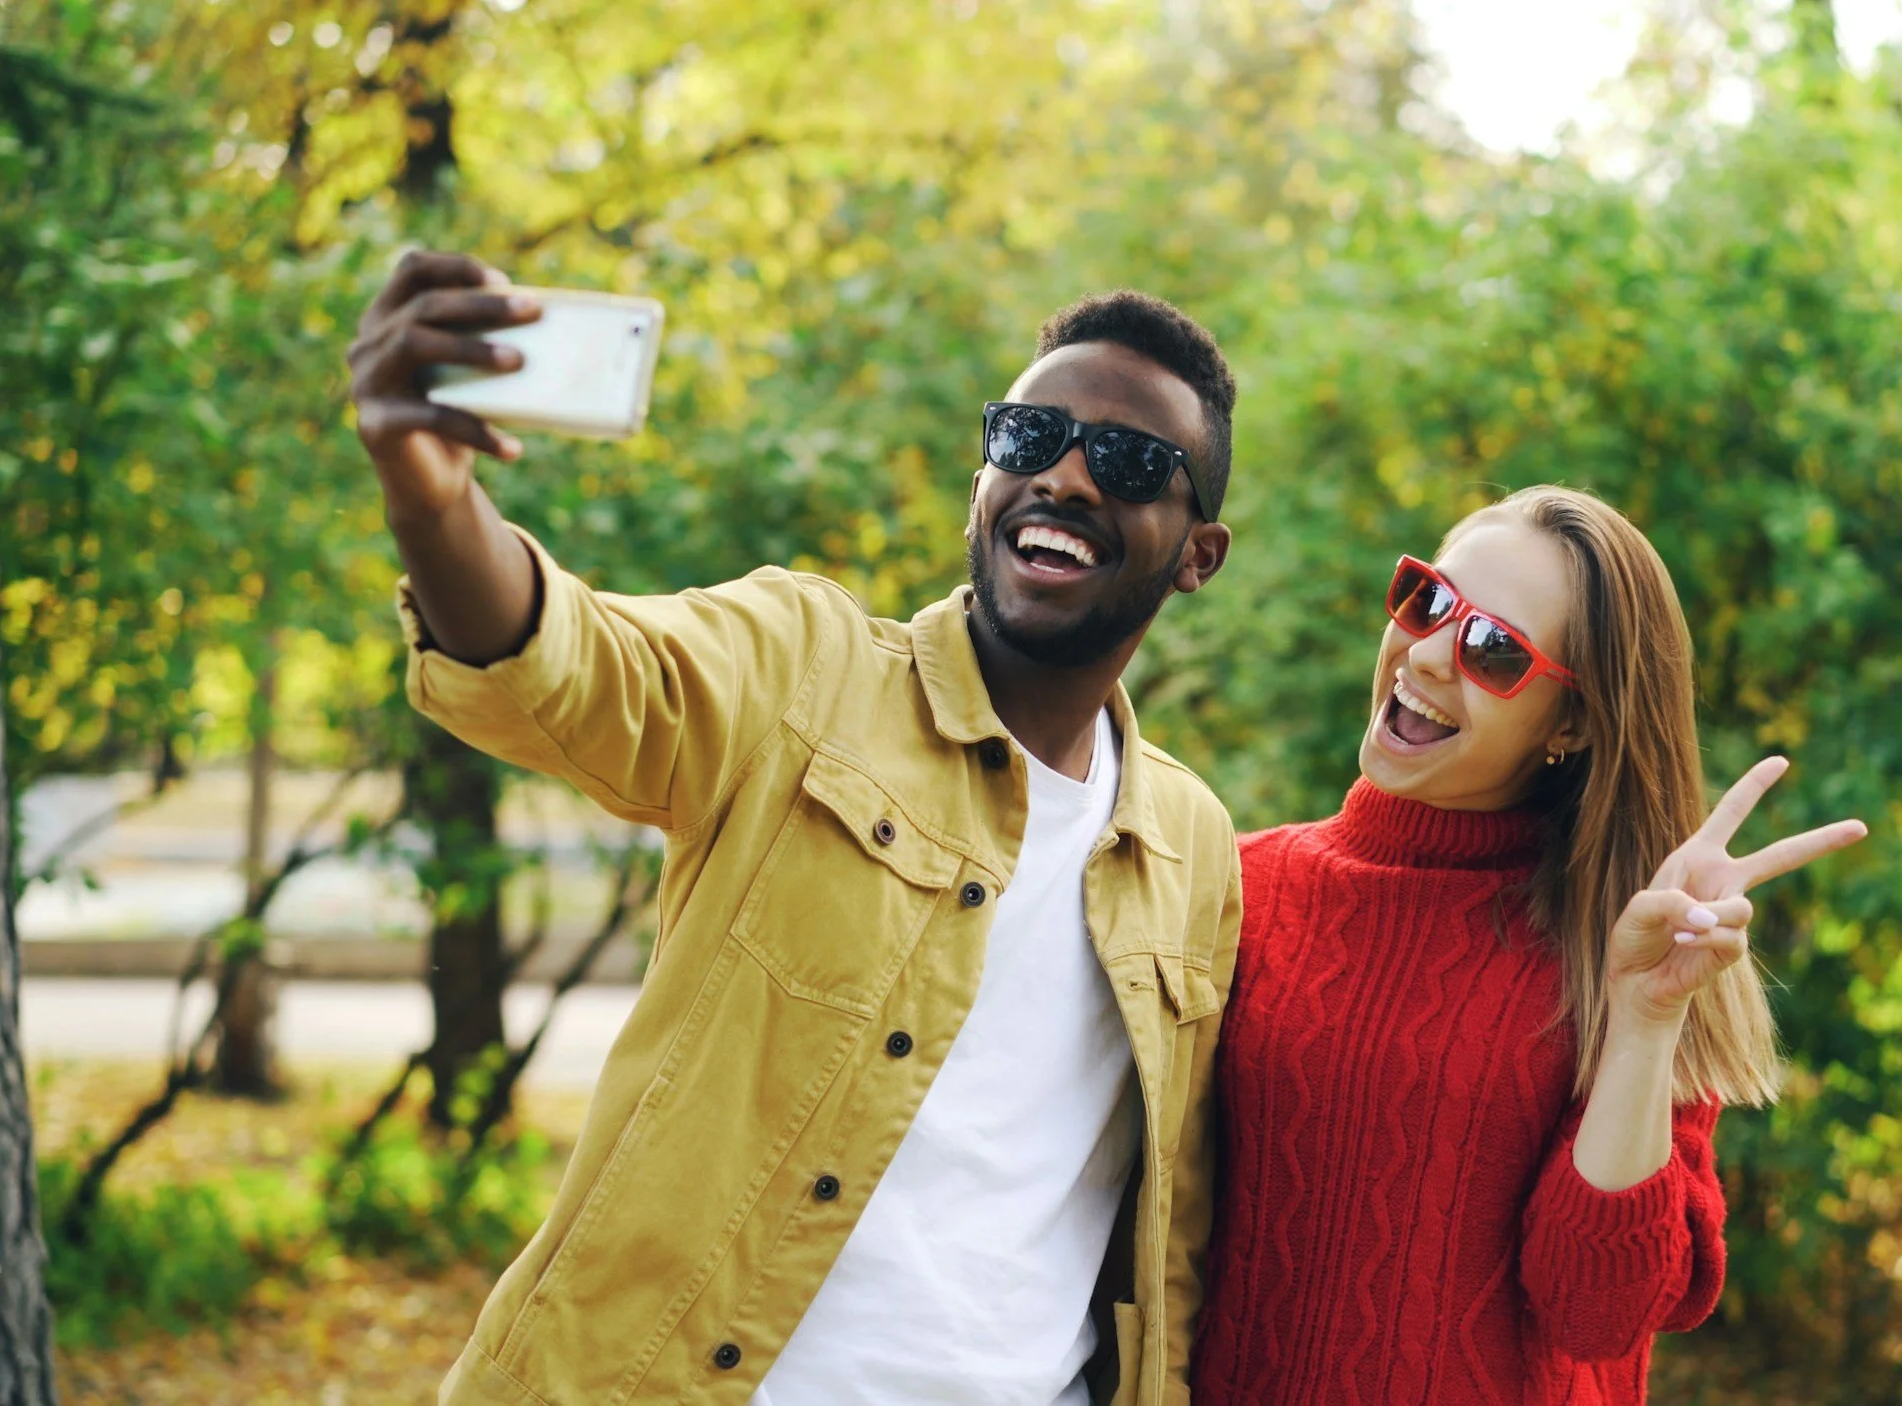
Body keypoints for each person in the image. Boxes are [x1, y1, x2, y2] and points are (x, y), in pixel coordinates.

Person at [345, 251, 1243, 1406]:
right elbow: (570, 668)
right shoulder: (804, 665)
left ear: (1197, 555)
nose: (1064, 476)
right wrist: (431, 501)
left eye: (1124, 460)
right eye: (1026, 436)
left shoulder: (1190, 844)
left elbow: (1172, 1231)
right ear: (983, 474)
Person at [1193, 485, 1869, 1405]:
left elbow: (1595, 1315)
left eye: (1495, 650)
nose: (1428, 653)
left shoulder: (1627, 953)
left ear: (1573, 725)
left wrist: (1643, 1020)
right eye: (1428, 600)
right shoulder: (1236, 888)